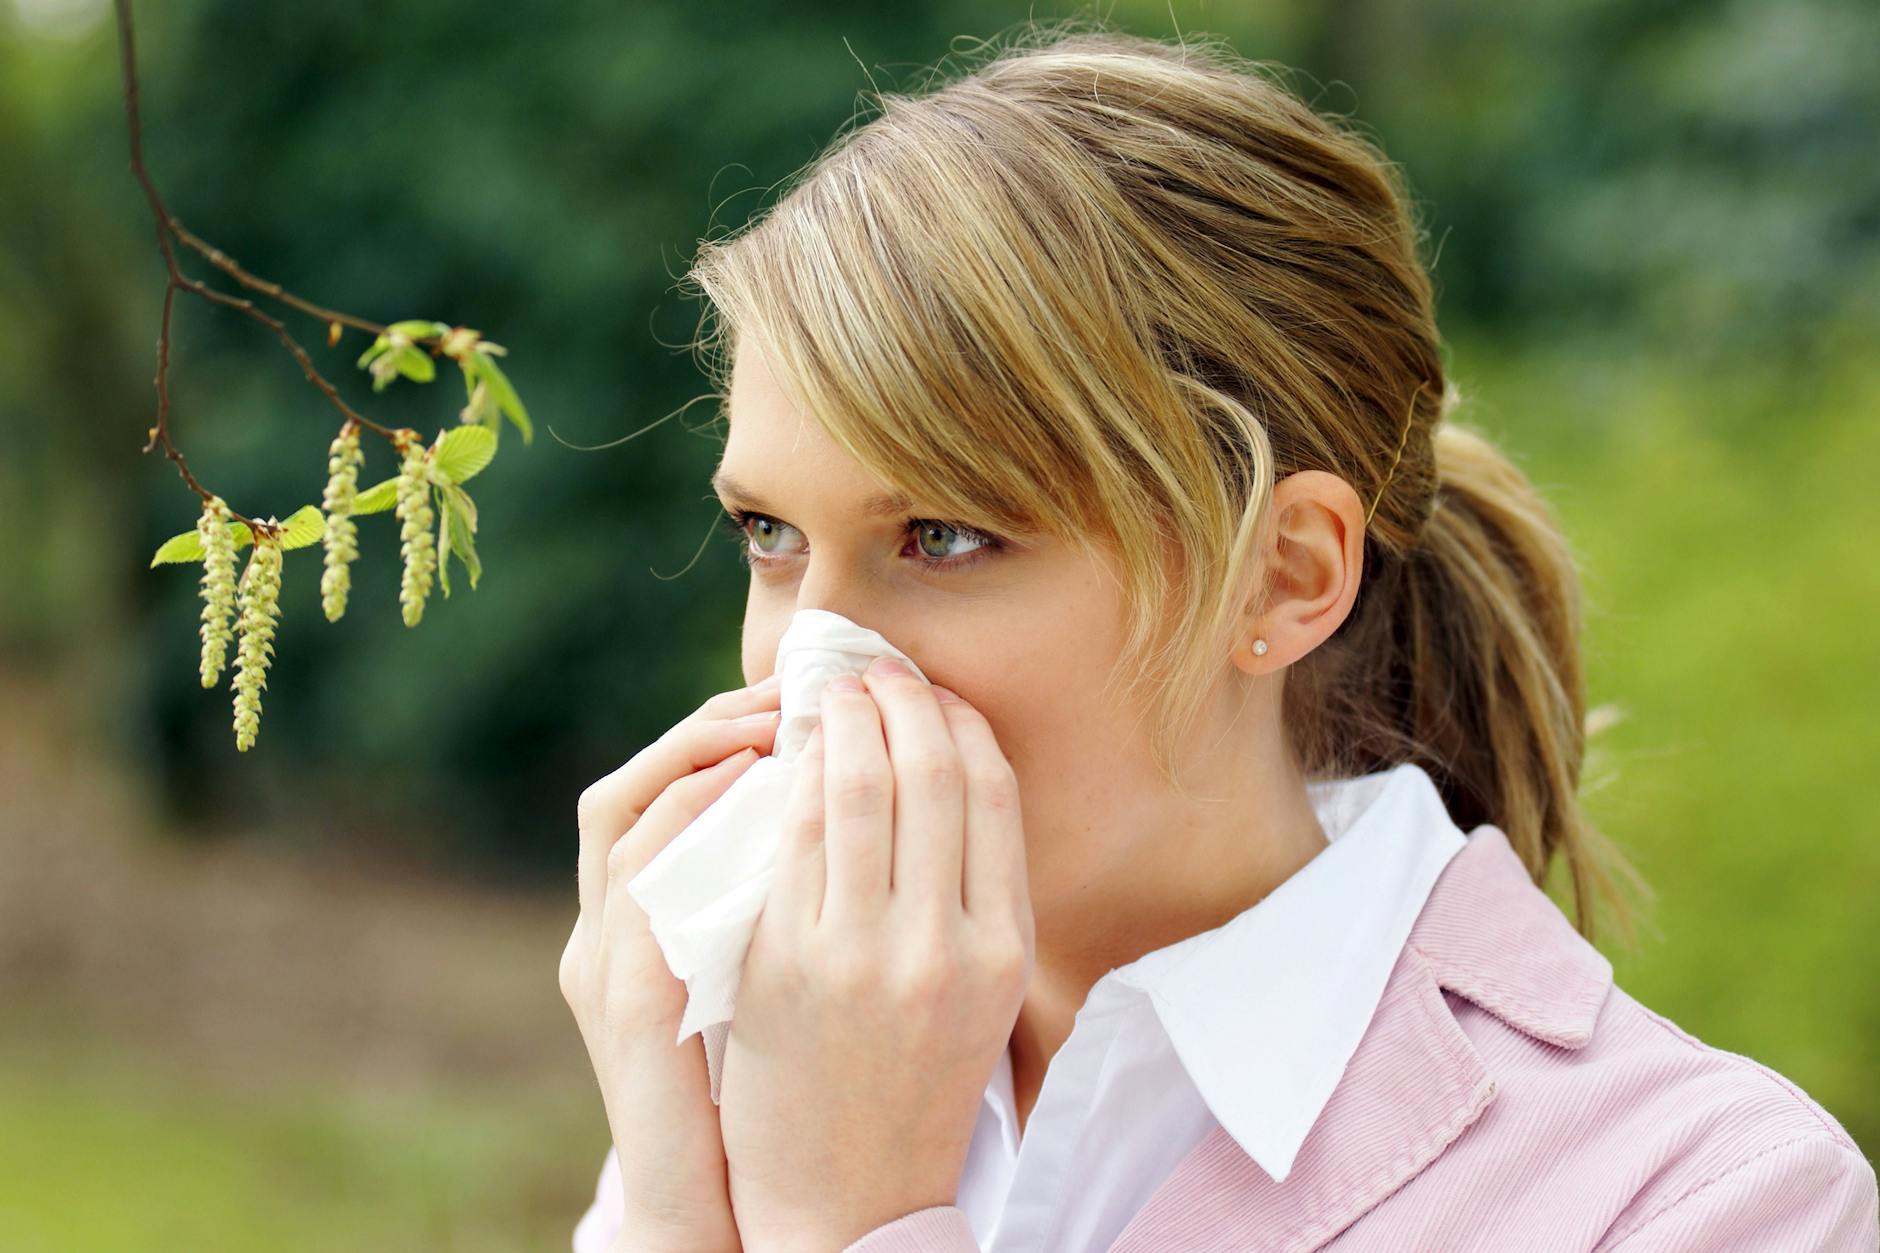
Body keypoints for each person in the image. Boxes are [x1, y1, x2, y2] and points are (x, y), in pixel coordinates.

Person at [559, 22, 1878, 1253]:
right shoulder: (763, 1064)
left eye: (941, 536)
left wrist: (856, 1220)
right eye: (770, 535)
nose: (809, 668)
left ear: (1283, 577)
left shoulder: (1705, 1195)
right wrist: (679, 1205)